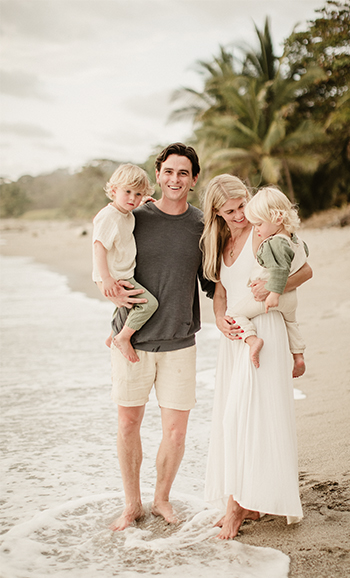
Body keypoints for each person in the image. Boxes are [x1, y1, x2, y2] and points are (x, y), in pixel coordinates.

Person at [105, 143, 215, 531]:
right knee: (127, 425)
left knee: (176, 430)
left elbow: (212, 282)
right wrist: (107, 286)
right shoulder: (134, 215)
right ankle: (132, 504)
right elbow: (104, 252)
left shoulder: (202, 225)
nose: (175, 179)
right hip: (131, 341)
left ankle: (162, 499)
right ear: (158, 174)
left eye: (183, 173)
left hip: (180, 341)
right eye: (168, 171)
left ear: (194, 179)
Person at [199, 173, 312, 540]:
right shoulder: (220, 242)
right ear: (216, 213)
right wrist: (219, 319)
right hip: (235, 336)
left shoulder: (266, 232)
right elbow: (220, 292)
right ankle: (250, 502)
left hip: (265, 331)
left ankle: (235, 508)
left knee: (244, 418)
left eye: (241, 207)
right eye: (228, 212)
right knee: (235, 419)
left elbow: (305, 270)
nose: (238, 216)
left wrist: (271, 287)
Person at [226, 185, 308, 376]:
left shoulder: (274, 243)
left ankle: (252, 339)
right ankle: (298, 356)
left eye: (259, 224)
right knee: (292, 324)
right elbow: (301, 260)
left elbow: (280, 270)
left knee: (234, 313)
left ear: (278, 218)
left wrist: (273, 294)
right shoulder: (297, 241)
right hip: (291, 299)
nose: (256, 229)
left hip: (271, 297)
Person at [92, 164, 159, 364]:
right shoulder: (108, 216)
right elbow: (98, 247)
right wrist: (107, 280)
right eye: (127, 192)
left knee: (126, 305)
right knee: (148, 304)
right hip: (113, 275)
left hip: (120, 273)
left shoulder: (125, 213)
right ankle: (122, 337)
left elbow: (128, 212)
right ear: (114, 191)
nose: (132, 198)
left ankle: (112, 334)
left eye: (138, 194)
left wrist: (143, 203)